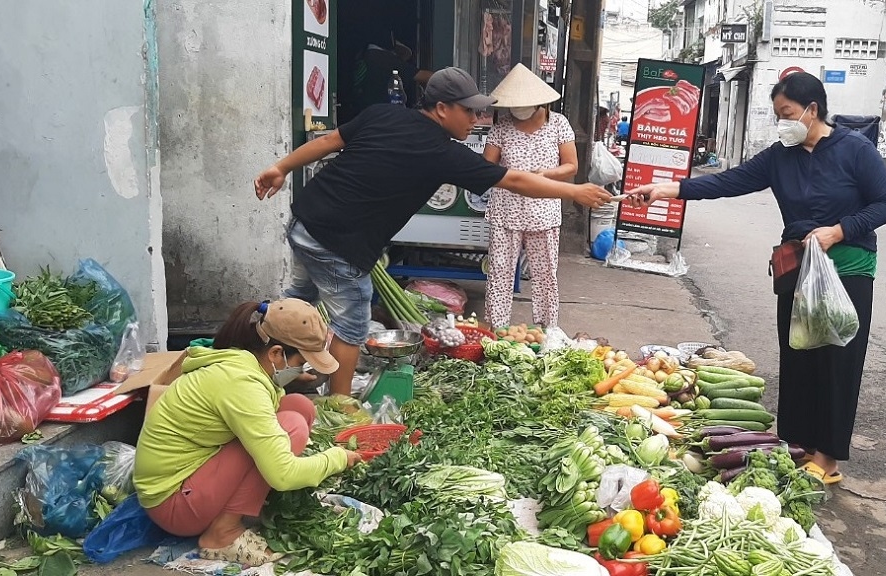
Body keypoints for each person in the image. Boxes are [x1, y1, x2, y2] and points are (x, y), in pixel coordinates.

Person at [254, 66, 614, 397]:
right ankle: (340, 407)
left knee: (295, 304)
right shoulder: (443, 152)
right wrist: (574, 191)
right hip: (338, 242)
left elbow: (328, 141)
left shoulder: (384, 113)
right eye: (468, 111)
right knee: (351, 325)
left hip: (305, 220)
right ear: (442, 108)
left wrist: (280, 167)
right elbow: (515, 180)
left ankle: (256, 363)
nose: (476, 119)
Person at [625, 72, 886, 484]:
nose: (782, 122)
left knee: (837, 362)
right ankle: (799, 444)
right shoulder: (780, 156)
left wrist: (839, 230)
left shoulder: (855, 151)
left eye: (787, 113)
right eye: (777, 115)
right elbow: (727, 182)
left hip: (846, 270)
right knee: (799, 355)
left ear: (812, 109)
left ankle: (827, 459)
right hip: (798, 267)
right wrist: (667, 189)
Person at [134, 299, 362, 566]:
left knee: (299, 406)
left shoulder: (246, 360)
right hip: (174, 504)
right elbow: (284, 475)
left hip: (194, 475)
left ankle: (237, 509)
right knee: (291, 428)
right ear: (276, 354)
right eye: (301, 362)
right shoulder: (242, 384)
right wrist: (337, 458)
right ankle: (222, 534)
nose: (302, 369)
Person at [482, 63, 577, 329]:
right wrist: (510, 175)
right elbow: (487, 165)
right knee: (499, 273)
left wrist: (545, 175)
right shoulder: (502, 127)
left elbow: (571, 166)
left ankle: (548, 331)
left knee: (545, 275)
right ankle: (496, 331)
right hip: (506, 211)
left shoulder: (559, 124)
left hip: (543, 211)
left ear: (540, 103)